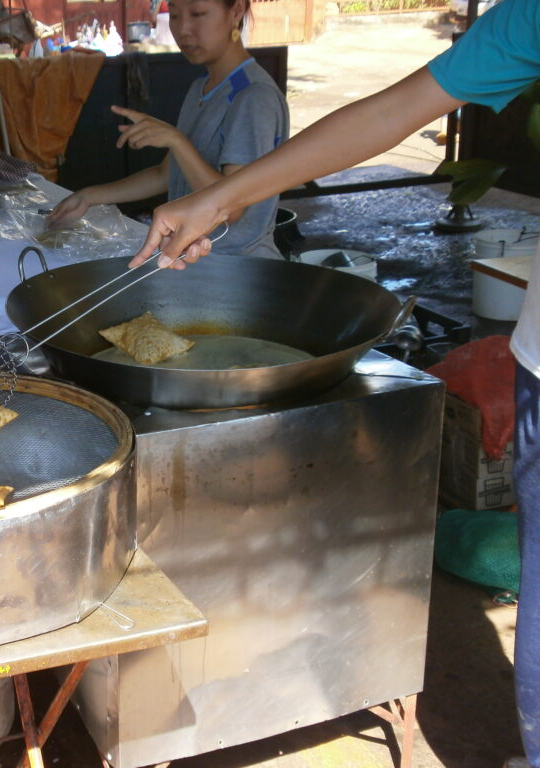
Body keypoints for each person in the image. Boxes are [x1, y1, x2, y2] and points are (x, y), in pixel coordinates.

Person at [131, 1, 539, 764]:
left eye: (198, 10)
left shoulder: (251, 96)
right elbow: (400, 107)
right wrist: (214, 198)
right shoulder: (530, 20)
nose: (184, 23)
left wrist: (215, 192)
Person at [48, 0, 289, 260]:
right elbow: (167, 174)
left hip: (238, 267)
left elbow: (231, 210)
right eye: (174, 15)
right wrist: (88, 197)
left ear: (237, 11)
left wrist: (177, 141)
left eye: (198, 14)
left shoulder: (253, 97)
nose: (183, 29)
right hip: (192, 260)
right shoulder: (202, 87)